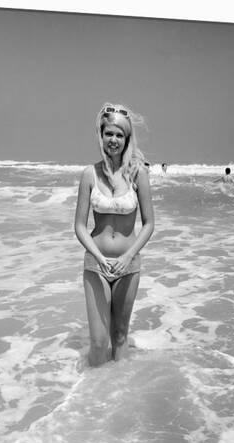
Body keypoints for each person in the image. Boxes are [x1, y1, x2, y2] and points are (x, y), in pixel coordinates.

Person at [74, 103, 155, 367]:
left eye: (120, 135)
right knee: (98, 342)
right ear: (101, 134)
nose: (114, 140)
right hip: (96, 265)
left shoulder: (138, 173)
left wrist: (128, 256)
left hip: (128, 266)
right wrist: (97, 256)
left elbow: (149, 223)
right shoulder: (89, 174)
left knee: (119, 336)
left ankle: (118, 397)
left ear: (127, 139)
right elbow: (79, 226)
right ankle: (89, 399)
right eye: (109, 133)